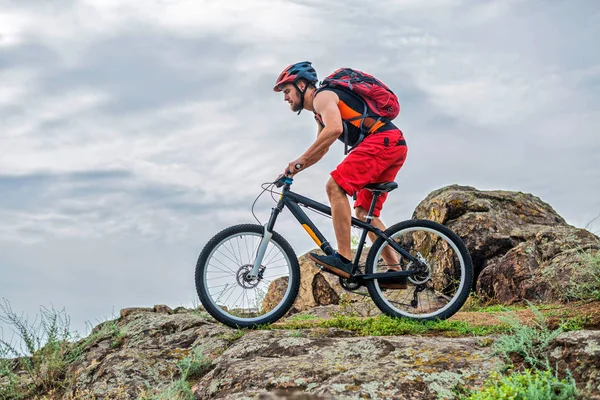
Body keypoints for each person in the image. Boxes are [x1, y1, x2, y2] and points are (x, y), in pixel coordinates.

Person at [274, 61, 408, 288]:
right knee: (365, 212)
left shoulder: (322, 97)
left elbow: (334, 129)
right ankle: (395, 272)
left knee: (334, 187)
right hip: (392, 143)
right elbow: (322, 147)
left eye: (287, 91)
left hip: (382, 141)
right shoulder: (319, 113)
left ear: (302, 85)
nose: (285, 97)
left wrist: (299, 162)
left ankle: (344, 258)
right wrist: (295, 168)